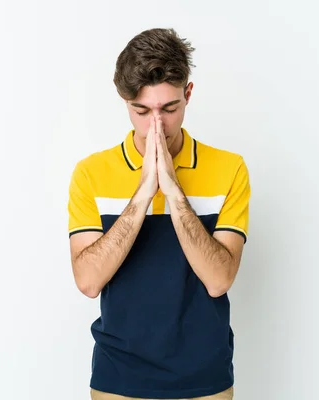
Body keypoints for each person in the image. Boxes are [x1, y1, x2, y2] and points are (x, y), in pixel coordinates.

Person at [67, 28, 250, 400]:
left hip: (205, 377)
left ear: (188, 94)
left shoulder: (230, 169)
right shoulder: (90, 174)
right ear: (124, 101)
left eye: (169, 109)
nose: (157, 125)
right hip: (118, 377)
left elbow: (218, 280)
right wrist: (144, 193)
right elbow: (87, 282)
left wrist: (173, 191)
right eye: (142, 110)